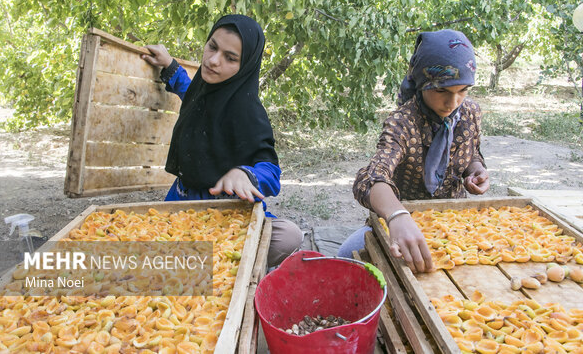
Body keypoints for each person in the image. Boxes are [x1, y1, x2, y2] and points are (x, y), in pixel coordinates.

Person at [141, 14, 303, 267]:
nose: (214, 61)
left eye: (230, 58)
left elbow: (270, 170)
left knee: (288, 236)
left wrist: (245, 174)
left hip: (227, 211)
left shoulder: (248, 111)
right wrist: (169, 64)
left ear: (246, 65)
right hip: (184, 198)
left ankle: (221, 263)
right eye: (212, 47)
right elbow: (188, 90)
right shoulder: (204, 86)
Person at [337, 29, 489, 273]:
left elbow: (472, 153)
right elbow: (371, 178)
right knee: (346, 258)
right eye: (442, 91)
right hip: (404, 227)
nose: (453, 103)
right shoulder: (402, 123)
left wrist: (476, 170)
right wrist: (397, 216)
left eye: (462, 91)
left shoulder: (470, 114)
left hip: (454, 223)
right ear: (422, 82)